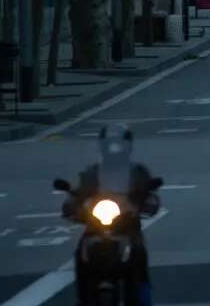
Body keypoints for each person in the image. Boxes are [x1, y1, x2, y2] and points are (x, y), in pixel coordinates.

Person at [62, 123, 162, 305]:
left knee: (139, 255)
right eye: (109, 143)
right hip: (95, 227)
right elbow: (80, 193)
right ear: (102, 145)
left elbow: (149, 194)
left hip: (128, 227)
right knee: (80, 254)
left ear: (127, 145)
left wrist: (147, 204)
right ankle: (83, 298)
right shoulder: (91, 173)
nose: (114, 148)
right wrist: (72, 205)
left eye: (118, 143)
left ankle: (143, 300)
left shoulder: (137, 172)